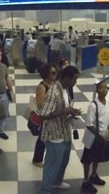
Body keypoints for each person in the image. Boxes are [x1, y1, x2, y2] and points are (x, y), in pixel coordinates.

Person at [38, 65, 81, 194]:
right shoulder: (53, 92)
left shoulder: (65, 89)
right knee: (52, 165)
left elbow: (64, 106)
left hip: (64, 131)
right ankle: (45, 190)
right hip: (54, 135)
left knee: (63, 160)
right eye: (74, 79)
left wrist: (71, 111)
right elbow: (43, 114)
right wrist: (64, 111)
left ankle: (57, 182)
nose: (75, 83)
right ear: (67, 78)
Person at [32, 63, 57, 167]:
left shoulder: (54, 84)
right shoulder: (42, 87)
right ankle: (37, 159)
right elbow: (40, 104)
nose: (55, 75)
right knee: (42, 138)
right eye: (53, 73)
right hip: (46, 117)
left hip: (53, 116)